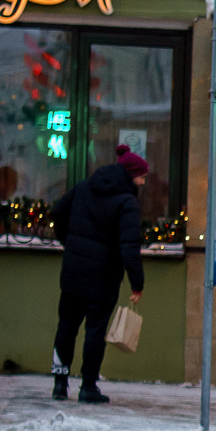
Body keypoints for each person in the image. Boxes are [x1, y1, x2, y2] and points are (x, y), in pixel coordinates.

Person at [49, 145, 146, 405]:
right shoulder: (127, 202)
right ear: (130, 175)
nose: (144, 181)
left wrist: (69, 244)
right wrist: (137, 283)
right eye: (141, 176)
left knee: (66, 327)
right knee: (95, 331)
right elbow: (129, 247)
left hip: (72, 273)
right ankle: (88, 385)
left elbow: (57, 213)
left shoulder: (83, 188)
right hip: (103, 278)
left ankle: (60, 384)